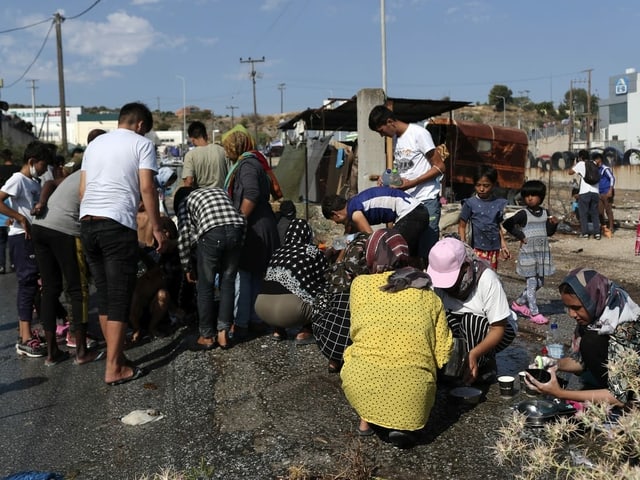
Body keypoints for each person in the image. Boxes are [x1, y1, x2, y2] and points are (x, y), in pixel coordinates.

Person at [340, 229, 453, 449]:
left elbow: (356, 331)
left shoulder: (360, 285)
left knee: (360, 353)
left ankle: (367, 420)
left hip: (360, 383)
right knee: (422, 365)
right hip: (415, 395)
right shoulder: (429, 295)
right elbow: (444, 353)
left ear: (371, 254)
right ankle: (406, 423)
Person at [80, 102, 167, 386]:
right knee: (119, 297)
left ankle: (114, 358)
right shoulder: (142, 144)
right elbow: (147, 187)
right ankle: (114, 368)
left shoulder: (94, 145)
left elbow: (83, 190)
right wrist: (156, 227)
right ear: (140, 125)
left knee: (104, 296)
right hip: (115, 225)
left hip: (88, 223)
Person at [525, 268, 640, 407]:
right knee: (590, 340)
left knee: (592, 340)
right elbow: (581, 362)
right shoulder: (594, 316)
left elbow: (618, 397)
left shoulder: (625, 325)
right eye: (568, 307)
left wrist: (560, 393)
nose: (572, 314)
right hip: (614, 382)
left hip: (631, 391)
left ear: (593, 299)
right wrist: (555, 363)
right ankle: (600, 392)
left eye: (577, 307)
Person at [427, 237, 516, 384]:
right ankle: (456, 365)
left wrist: (473, 354)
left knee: (472, 321)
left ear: (465, 267)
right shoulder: (436, 285)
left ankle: (482, 365)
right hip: (460, 325)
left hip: (496, 329)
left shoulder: (487, 280)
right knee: (441, 319)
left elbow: (498, 328)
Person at [222, 126, 280, 340]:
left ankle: (241, 323)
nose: (225, 153)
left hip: (254, 227)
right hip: (263, 224)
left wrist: (238, 220)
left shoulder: (246, 165)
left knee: (243, 276)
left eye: (226, 148)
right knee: (255, 276)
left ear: (234, 147)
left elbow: (252, 194)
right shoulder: (255, 162)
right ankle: (255, 320)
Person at [174, 185, 246, 350]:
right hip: (236, 228)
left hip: (212, 233)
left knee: (205, 286)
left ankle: (207, 336)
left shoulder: (185, 202)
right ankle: (223, 334)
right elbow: (240, 216)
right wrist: (238, 245)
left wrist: (186, 268)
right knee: (228, 282)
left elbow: (184, 237)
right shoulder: (218, 190)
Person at [368, 105, 446, 255]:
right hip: (409, 204)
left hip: (426, 199)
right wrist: (386, 176)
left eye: (381, 131)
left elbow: (440, 166)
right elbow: (402, 170)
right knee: (411, 250)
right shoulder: (396, 140)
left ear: (390, 121)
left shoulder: (419, 134)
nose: (382, 136)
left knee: (428, 250)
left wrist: (413, 182)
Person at [0, 141, 53, 357]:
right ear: (31, 161)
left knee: (35, 285)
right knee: (27, 284)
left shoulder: (33, 181)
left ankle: (29, 330)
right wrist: (19, 217)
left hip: (33, 237)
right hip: (21, 238)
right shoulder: (18, 179)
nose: (45, 169)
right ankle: (24, 337)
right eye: (43, 165)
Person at [255, 218, 328, 344]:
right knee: (325, 295)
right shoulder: (312, 251)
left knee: (282, 286)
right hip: (291, 311)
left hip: (261, 309)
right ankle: (305, 331)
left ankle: (277, 330)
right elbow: (324, 279)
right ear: (307, 234)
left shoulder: (278, 252)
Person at [321, 186, 430, 264]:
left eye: (333, 220)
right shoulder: (352, 205)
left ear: (336, 214)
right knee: (405, 254)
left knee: (390, 254)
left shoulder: (355, 214)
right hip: (417, 212)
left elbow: (371, 239)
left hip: (412, 214)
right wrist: (335, 251)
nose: (336, 223)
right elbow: (347, 236)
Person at [311, 232, 370, 373]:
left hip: (329, 345)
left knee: (321, 302)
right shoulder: (369, 283)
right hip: (358, 347)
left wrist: (340, 254)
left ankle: (334, 361)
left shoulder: (336, 275)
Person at [503, 180, 559, 325]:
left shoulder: (545, 213)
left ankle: (518, 303)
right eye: (527, 195)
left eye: (533, 195)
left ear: (541, 196)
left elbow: (548, 232)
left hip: (540, 253)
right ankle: (534, 312)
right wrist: (520, 236)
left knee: (540, 282)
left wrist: (554, 224)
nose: (529, 198)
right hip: (528, 254)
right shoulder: (523, 213)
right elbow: (507, 224)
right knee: (532, 283)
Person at [458, 165, 510, 269]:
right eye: (478, 185)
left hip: (493, 249)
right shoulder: (470, 203)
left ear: (493, 184)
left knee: (491, 274)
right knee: (478, 274)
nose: (482, 189)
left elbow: (497, 225)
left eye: (486, 185)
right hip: (477, 248)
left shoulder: (497, 203)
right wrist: (463, 244)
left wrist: (503, 245)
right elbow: (462, 225)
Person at [181, 121, 228, 188]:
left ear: (192, 139)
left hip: (201, 196)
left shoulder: (190, 155)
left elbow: (189, 181)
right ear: (206, 135)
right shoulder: (222, 151)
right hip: (222, 195)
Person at [569, 149, 601, 239]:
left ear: (580, 157)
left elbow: (570, 172)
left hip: (585, 192)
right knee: (595, 213)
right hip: (595, 192)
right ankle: (597, 233)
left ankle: (585, 233)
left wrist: (575, 163)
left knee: (583, 214)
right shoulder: (594, 164)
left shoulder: (580, 164)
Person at [593, 152, 615, 238]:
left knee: (608, 210)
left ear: (599, 160)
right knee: (600, 211)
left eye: (596, 159)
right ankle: (603, 227)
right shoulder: (596, 169)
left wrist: (610, 190)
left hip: (606, 192)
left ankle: (611, 227)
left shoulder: (605, 169)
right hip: (599, 193)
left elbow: (612, 178)